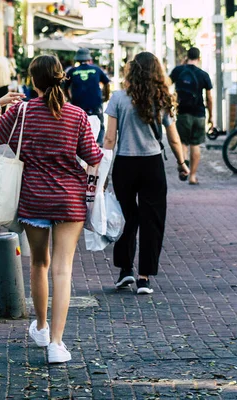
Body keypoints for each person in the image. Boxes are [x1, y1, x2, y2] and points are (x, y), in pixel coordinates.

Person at [0, 55, 103, 364]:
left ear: (33, 81)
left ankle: (42, 327)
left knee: (40, 264)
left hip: (33, 199)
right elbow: (94, 156)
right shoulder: (76, 116)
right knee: (63, 269)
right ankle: (57, 345)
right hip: (69, 201)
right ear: (61, 78)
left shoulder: (20, 112)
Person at [104, 52, 189, 295]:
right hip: (152, 164)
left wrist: (103, 172)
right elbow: (173, 138)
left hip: (124, 164)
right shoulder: (162, 98)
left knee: (125, 218)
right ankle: (144, 277)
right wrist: (181, 163)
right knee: (153, 220)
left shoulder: (118, 98)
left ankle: (125, 271)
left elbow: (110, 138)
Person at [169, 47, 213, 185]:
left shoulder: (178, 71)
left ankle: (183, 164)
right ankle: (192, 176)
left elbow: (166, 85)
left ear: (187, 57)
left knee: (182, 142)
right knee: (196, 144)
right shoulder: (203, 75)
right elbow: (210, 98)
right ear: (199, 58)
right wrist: (211, 117)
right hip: (199, 113)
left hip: (182, 113)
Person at [64, 48, 110, 145]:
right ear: (89, 58)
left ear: (77, 59)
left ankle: (82, 146)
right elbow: (107, 83)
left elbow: (65, 87)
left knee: (79, 127)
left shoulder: (72, 71)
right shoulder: (96, 69)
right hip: (96, 103)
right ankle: (98, 145)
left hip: (78, 104)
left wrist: (69, 98)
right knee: (100, 125)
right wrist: (106, 96)